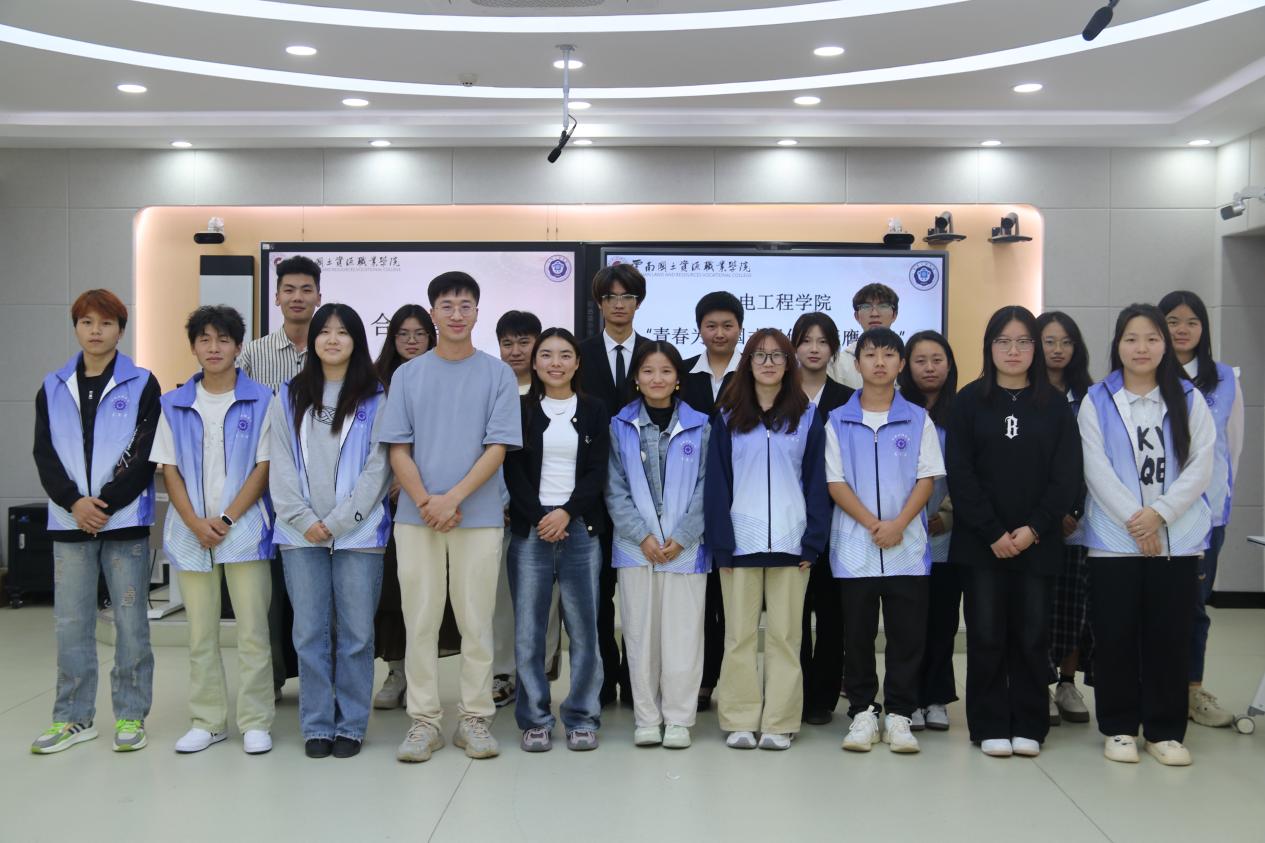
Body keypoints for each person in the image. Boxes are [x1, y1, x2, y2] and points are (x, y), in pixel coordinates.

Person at [378, 271, 521, 763]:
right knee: (419, 619)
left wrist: (452, 498)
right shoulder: (408, 375)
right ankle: (424, 722)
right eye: (447, 305)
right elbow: (398, 447)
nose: (456, 314)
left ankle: (475, 718)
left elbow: (497, 447)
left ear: (477, 312)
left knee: (476, 620)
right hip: (416, 517)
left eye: (465, 305)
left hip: (477, 517)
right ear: (432, 312)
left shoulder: (497, 375)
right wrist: (426, 501)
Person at [1079, 304, 1215, 766]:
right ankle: (1119, 727)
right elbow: (1095, 468)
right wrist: (1136, 521)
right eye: (1132, 339)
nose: (1142, 348)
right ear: (1117, 345)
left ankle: (1164, 731)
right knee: (1115, 635)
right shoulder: (1097, 399)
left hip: (1177, 536)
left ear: (1165, 346)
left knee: (1169, 635)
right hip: (1114, 540)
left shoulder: (1189, 398)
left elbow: (1201, 465)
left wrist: (1159, 514)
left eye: (1152, 338)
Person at [945, 306, 1081, 759]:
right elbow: (960, 474)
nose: (1013, 350)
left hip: (1037, 542)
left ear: (1035, 348)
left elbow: (1066, 476)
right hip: (981, 542)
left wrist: (1034, 528)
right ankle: (988, 723)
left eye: (1024, 341)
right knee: (986, 635)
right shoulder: (968, 401)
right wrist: (992, 532)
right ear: (989, 347)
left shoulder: (1055, 406)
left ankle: (1029, 722)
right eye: (1003, 341)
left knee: (1032, 635)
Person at [30, 289, 161, 755]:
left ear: (120, 330)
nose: (95, 331)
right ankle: (72, 717)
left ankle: (130, 714)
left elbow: (145, 454)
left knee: (130, 622)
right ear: (76, 328)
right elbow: (45, 454)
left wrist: (101, 504)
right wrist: (74, 503)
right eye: (86, 322)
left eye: (105, 323)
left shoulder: (142, 383)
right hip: (69, 521)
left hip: (122, 521)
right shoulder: (53, 386)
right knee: (71, 623)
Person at [269, 303, 392, 759]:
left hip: (359, 534)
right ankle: (318, 724)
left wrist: (339, 522)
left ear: (357, 340)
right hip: (299, 533)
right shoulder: (289, 394)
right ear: (313, 340)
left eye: (343, 332)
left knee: (356, 634)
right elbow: (279, 463)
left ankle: (351, 725)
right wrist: (304, 520)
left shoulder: (376, 396)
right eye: (325, 331)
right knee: (309, 633)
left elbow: (379, 467)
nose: (333, 339)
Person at [152, 306, 275, 755]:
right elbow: (169, 469)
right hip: (191, 531)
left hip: (244, 528)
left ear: (239, 347)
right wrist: (194, 521)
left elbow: (264, 466)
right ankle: (207, 720)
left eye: (223, 339)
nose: (214, 347)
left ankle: (256, 720)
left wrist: (225, 519)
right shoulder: (173, 403)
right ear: (193, 347)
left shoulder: (263, 399)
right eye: (204, 339)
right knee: (200, 632)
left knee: (252, 631)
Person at [706, 328, 828, 751]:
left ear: (790, 363)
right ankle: (740, 718)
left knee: (785, 638)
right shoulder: (727, 416)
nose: (769, 363)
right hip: (739, 544)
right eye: (760, 355)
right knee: (738, 637)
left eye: (778, 355)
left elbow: (817, 481)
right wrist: (721, 543)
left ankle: (780, 720)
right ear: (748, 363)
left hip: (792, 545)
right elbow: (717, 483)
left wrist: (813, 540)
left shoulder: (807, 416)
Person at [827, 329, 943, 754]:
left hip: (906, 547)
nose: (879, 362)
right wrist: (874, 524)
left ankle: (899, 714)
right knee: (857, 636)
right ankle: (862, 712)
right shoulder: (837, 419)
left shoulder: (918, 418)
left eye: (889, 355)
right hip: (855, 547)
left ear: (900, 364)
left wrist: (898, 525)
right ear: (856, 364)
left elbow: (927, 478)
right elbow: (835, 481)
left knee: (906, 636)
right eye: (870, 355)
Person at [504, 328, 609, 752]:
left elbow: (598, 470)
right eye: (546, 354)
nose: (555, 363)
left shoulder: (594, 409)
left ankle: (582, 717)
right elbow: (512, 471)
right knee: (529, 631)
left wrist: (567, 512)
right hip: (532, 530)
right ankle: (535, 719)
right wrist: (541, 517)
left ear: (577, 363)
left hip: (580, 528)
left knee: (584, 630)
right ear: (534, 362)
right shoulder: (519, 409)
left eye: (565, 355)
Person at [606, 341, 710, 748]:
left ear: (678, 378)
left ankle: (679, 719)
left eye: (666, 371)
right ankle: (647, 718)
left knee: (683, 635)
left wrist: (683, 536)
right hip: (636, 546)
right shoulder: (619, 425)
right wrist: (642, 535)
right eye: (648, 371)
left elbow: (707, 488)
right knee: (639, 633)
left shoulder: (702, 425)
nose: (657, 378)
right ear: (636, 377)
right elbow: (614, 488)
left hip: (687, 547)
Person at [1159, 290, 1244, 730]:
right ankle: (1154, 690)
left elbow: (1232, 445)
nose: (1182, 329)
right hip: (1154, 513)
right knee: (1154, 604)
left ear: (1203, 329)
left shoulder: (1225, 377)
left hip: (1207, 515)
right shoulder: (1146, 372)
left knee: (1194, 606)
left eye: (1191, 321)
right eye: (1172, 321)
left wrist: (1220, 497)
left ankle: (1193, 691)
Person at [239, 255, 323, 698]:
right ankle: (271, 678)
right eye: (289, 289)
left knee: (316, 593)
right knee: (271, 593)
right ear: (276, 297)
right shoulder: (253, 355)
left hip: (326, 493)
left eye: (306, 289)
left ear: (319, 296)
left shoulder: (334, 348)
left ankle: (319, 680)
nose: (297, 297)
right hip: (268, 492)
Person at [579, 264, 650, 707]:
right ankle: (605, 678)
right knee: (597, 592)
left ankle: (640, 679)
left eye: (627, 297)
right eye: (610, 298)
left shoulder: (656, 354)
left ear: (638, 303)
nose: (619, 305)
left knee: (641, 596)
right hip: (591, 491)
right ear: (599, 304)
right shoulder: (579, 353)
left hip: (648, 494)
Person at [494, 310, 562, 709]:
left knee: (544, 602)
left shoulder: (552, 392)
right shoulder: (491, 388)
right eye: (507, 343)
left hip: (543, 515)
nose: (516, 350)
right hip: (498, 514)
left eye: (524, 342)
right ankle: (503, 673)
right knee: (501, 601)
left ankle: (538, 672)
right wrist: (500, 501)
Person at [680, 291, 744, 712]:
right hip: (687, 497)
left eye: (727, 325)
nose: (719, 333)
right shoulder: (682, 373)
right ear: (699, 329)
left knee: (729, 600)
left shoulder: (755, 372)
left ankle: (725, 678)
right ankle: (700, 680)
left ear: (740, 328)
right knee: (696, 599)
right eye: (711, 325)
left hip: (739, 499)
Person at [371, 304, 437, 711]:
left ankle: (422, 676)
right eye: (403, 334)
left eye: (419, 333)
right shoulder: (375, 381)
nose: (411, 341)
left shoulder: (444, 376)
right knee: (393, 593)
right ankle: (397, 672)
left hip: (431, 500)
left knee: (429, 594)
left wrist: (414, 483)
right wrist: (391, 479)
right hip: (381, 503)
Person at [792, 312, 855, 725]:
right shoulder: (779, 394)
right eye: (806, 340)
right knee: (792, 617)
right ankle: (794, 694)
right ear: (794, 346)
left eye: (822, 341)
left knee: (833, 617)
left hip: (837, 525)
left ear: (833, 348)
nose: (814, 349)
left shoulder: (849, 399)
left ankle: (823, 698)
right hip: (787, 524)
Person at [898, 330, 959, 733]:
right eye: (920, 361)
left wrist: (948, 514)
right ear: (907, 367)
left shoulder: (964, 412)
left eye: (937, 360)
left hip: (947, 535)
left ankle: (936, 696)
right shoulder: (897, 409)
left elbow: (971, 471)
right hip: (905, 533)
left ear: (949, 365)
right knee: (908, 622)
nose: (929, 368)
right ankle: (909, 697)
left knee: (942, 620)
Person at [1037, 311, 1096, 728]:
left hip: (1081, 521)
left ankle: (1067, 683)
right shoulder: (1026, 394)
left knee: (1074, 606)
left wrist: (1073, 511)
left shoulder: (1091, 398)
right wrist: (1049, 513)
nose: (1058, 350)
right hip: (1036, 521)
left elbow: (1093, 463)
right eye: (1049, 341)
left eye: (1066, 342)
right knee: (1038, 605)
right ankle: (1037, 680)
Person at [827, 283, 900, 390]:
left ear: (894, 315)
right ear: (857, 316)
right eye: (866, 307)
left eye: (883, 306)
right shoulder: (838, 363)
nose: (874, 313)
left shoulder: (908, 360)